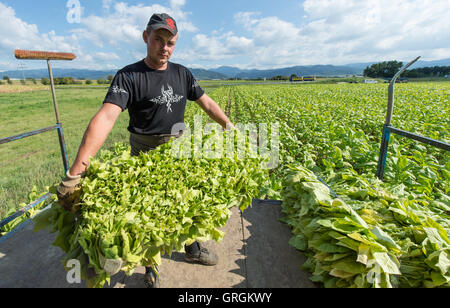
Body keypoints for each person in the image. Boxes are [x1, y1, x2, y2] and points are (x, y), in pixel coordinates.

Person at [56, 13, 235, 288]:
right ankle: (151, 265)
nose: (164, 47)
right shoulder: (128, 76)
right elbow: (106, 117)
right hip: (144, 152)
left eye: (170, 42)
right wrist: (76, 171)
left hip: (177, 149)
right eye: (158, 40)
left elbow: (206, 102)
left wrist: (228, 125)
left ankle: (191, 245)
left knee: (185, 203)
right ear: (145, 37)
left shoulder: (182, 73)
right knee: (149, 214)